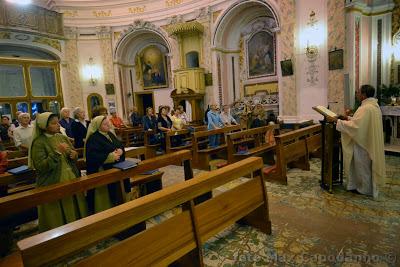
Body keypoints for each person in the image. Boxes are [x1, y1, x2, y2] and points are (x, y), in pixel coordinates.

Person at [29, 112, 87, 232]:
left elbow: (73, 153)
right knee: (58, 212)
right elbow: (41, 166)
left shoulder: (61, 137)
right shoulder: (39, 142)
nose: (57, 125)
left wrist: (74, 154)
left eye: (57, 122)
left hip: (70, 177)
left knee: (74, 205)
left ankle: (77, 230)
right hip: (53, 181)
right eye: (53, 123)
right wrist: (57, 152)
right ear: (44, 126)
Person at [327, 85, 385, 198]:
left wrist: (337, 121)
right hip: (367, 140)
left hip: (362, 143)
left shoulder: (365, 108)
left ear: (363, 95)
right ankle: (361, 186)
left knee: (362, 166)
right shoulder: (373, 106)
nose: (357, 94)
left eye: (358, 92)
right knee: (364, 166)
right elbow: (360, 122)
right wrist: (346, 118)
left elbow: (356, 127)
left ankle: (365, 189)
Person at [85, 115, 129, 214]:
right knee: (106, 197)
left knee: (118, 192)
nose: (108, 125)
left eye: (108, 123)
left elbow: (119, 144)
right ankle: (107, 211)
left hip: (116, 168)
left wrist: (121, 151)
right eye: (105, 124)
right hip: (103, 171)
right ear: (97, 126)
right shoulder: (93, 138)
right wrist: (110, 157)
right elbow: (92, 157)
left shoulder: (110, 134)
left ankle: (120, 206)